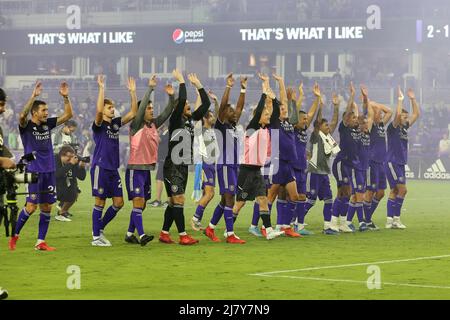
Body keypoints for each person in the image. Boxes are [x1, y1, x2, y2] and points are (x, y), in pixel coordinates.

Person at [9, 81, 73, 251]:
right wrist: (33, 96)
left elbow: (68, 115)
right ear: (34, 113)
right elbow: (21, 116)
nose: (47, 113)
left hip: (49, 171)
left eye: (47, 110)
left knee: (47, 207)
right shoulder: (26, 126)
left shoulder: (47, 124)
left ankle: (40, 242)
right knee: (31, 207)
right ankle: (14, 235)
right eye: (43, 110)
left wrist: (65, 97)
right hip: (34, 171)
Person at [158, 70, 211, 245]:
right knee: (179, 199)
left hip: (182, 166)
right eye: (186, 105)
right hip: (173, 165)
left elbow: (206, 104)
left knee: (174, 202)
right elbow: (181, 101)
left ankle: (164, 233)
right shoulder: (175, 120)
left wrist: (199, 85)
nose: (188, 105)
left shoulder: (190, 120)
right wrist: (181, 82)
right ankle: (182, 236)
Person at [232, 73, 284, 240]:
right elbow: (261, 109)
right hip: (246, 171)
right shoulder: (252, 127)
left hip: (257, 171)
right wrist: (263, 91)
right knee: (240, 203)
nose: (269, 116)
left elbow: (275, 112)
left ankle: (268, 231)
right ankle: (228, 229)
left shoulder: (264, 129)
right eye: (266, 115)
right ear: (259, 115)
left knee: (263, 199)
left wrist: (272, 94)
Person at [124, 75, 175, 246]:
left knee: (142, 204)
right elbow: (140, 109)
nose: (152, 110)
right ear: (142, 111)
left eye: (152, 108)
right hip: (135, 169)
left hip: (146, 170)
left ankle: (130, 233)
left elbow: (168, 112)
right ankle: (142, 235)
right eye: (148, 108)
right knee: (138, 203)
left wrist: (171, 96)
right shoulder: (136, 124)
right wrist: (150, 88)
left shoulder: (153, 124)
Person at [90, 75, 137, 247]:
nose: (112, 110)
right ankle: (96, 238)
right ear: (103, 110)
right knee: (100, 202)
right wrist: (102, 88)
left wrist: (132, 93)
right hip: (100, 167)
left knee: (119, 203)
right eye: (109, 107)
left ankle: (99, 227)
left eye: (113, 107)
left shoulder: (115, 124)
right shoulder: (99, 124)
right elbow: (98, 112)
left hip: (113, 168)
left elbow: (133, 113)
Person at [203, 73, 247, 244]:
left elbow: (240, 108)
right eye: (230, 110)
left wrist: (243, 88)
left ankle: (210, 228)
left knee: (224, 200)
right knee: (230, 198)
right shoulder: (221, 126)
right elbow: (222, 106)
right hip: (225, 166)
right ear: (224, 114)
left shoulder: (233, 126)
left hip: (233, 166)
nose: (234, 112)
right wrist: (228, 86)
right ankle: (230, 234)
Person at [305, 92, 340, 234]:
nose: (329, 127)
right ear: (319, 127)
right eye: (326, 126)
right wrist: (319, 103)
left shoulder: (328, 137)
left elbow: (335, 122)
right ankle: (295, 221)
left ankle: (327, 227)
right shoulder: (316, 135)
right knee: (311, 201)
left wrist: (336, 107)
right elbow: (318, 120)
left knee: (328, 200)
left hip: (324, 173)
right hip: (314, 173)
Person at [385, 88, 420, 229]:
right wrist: (400, 99)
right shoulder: (393, 127)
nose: (406, 119)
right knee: (403, 190)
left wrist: (412, 99)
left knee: (394, 191)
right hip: (392, 162)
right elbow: (398, 113)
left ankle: (389, 221)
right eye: (404, 117)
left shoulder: (404, 127)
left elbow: (417, 114)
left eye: (406, 117)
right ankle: (396, 219)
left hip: (400, 163)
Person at [344, 86, 374, 232]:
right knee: (359, 195)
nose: (366, 123)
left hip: (363, 167)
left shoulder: (367, 133)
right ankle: (361, 222)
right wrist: (356, 98)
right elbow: (360, 113)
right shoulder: (356, 131)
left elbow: (366, 113)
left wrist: (366, 98)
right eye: (363, 122)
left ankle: (348, 221)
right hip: (356, 167)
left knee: (356, 197)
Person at [331, 82, 359, 233]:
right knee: (343, 192)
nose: (356, 119)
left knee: (348, 193)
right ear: (347, 119)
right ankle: (333, 223)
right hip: (341, 163)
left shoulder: (355, 130)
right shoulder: (344, 127)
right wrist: (352, 96)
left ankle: (342, 222)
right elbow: (348, 111)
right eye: (353, 118)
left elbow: (356, 112)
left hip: (349, 165)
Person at [190, 89, 219, 231]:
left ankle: (197, 219)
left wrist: (216, 101)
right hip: (204, 164)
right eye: (211, 116)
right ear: (206, 118)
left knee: (206, 194)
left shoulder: (212, 130)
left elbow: (219, 116)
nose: (213, 118)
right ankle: (195, 218)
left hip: (212, 165)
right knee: (210, 193)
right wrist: (198, 97)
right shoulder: (199, 129)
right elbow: (197, 113)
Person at [363, 100, 393, 230]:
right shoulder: (371, 125)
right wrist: (370, 104)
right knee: (370, 191)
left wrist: (378, 106)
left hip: (381, 163)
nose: (381, 115)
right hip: (372, 162)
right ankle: (365, 220)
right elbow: (369, 112)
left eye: (381, 113)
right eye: (378, 113)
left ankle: (367, 218)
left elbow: (390, 112)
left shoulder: (381, 125)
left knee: (380, 193)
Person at [54, 145, 87, 222]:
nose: (71, 159)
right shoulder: (55, 159)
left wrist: (81, 168)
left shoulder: (73, 161)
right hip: (53, 184)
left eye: (72, 156)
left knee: (75, 191)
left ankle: (62, 213)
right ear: (62, 155)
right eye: (69, 157)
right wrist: (71, 164)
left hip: (66, 184)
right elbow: (57, 174)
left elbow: (82, 177)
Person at [148, 124, 169, 207]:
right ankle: (165, 200)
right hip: (164, 159)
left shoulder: (167, 132)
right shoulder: (166, 132)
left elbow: (158, 140)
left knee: (160, 179)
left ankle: (159, 200)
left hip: (164, 159)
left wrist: (154, 131)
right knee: (162, 179)